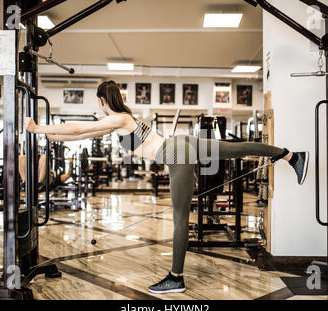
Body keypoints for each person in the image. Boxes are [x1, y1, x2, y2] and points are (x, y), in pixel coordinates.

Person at [24, 80, 309, 294]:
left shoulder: (119, 118)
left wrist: (40, 129)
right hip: (180, 143)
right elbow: (81, 132)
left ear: (101, 100)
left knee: (180, 218)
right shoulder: (122, 118)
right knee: (234, 149)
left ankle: (176, 277)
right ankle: (289, 155)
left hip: (176, 153)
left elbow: (78, 128)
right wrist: (54, 137)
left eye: (98, 102)